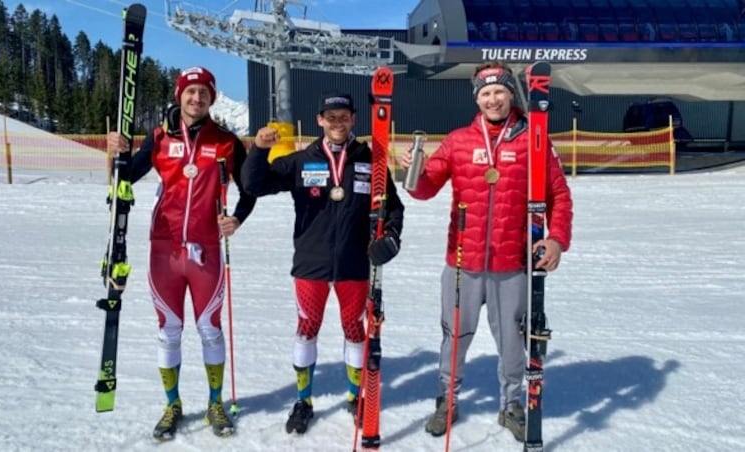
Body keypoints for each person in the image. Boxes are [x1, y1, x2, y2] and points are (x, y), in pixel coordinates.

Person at [398, 61, 573, 442]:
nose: (493, 99)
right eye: (485, 93)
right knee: (454, 334)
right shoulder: (459, 140)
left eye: (499, 92)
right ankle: (447, 400)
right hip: (462, 261)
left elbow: (559, 194)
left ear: (511, 93)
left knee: (512, 337)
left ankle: (511, 404)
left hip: (512, 261)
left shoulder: (534, 139)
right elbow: (425, 189)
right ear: (477, 98)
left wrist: (556, 239)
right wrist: (414, 171)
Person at [107, 66, 256, 440]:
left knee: (210, 328)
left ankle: (215, 403)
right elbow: (125, 178)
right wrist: (117, 155)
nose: (196, 98)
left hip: (207, 248)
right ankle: (172, 405)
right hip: (164, 248)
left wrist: (236, 217)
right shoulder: (158, 138)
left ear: (212, 98)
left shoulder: (225, 141)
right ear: (180, 96)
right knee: (169, 330)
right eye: (190, 92)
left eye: (204, 92)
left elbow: (250, 187)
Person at [242, 92, 404, 435]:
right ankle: (304, 401)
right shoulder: (301, 160)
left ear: (353, 119)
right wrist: (258, 149)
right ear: (319, 120)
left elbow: (393, 207)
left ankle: (355, 397)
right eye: (330, 117)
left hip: (355, 264)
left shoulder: (370, 161)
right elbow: (253, 184)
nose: (337, 123)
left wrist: (391, 237)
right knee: (306, 328)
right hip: (311, 264)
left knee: (354, 330)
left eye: (343, 116)